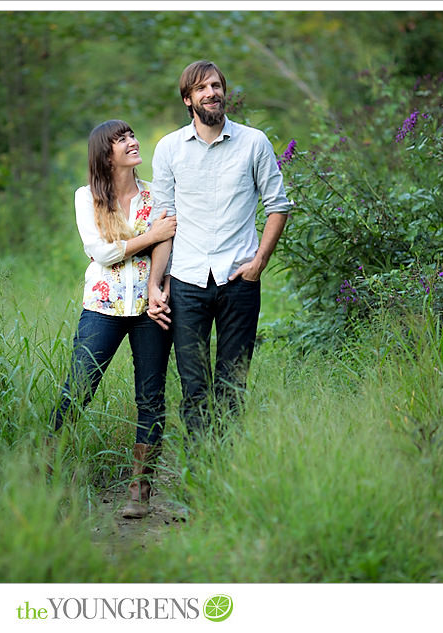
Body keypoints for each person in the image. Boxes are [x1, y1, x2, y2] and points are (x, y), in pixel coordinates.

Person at [147, 60, 293, 446]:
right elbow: (164, 222)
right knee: (194, 388)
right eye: (201, 88)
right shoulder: (169, 149)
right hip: (187, 282)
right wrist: (156, 283)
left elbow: (278, 205)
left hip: (239, 280)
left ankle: (225, 478)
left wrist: (259, 262)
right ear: (187, 100)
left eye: (216, 86)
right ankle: (198, 482)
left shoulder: (254, 142)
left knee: (232, 386)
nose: (211, 93)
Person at [49, 119, 176, 519]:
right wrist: (150, 237)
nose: (133, 143)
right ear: (106, 154)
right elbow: (100, 253)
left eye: (133, 136)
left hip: (149, 308)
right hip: (101, 308)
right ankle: (46, 469)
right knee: (78, 388)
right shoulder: (86, 197)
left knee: (151, 398)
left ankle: (140, 489)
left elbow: (170, 244)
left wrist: (161, 284)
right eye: (122, 140)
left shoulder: (158, 195)